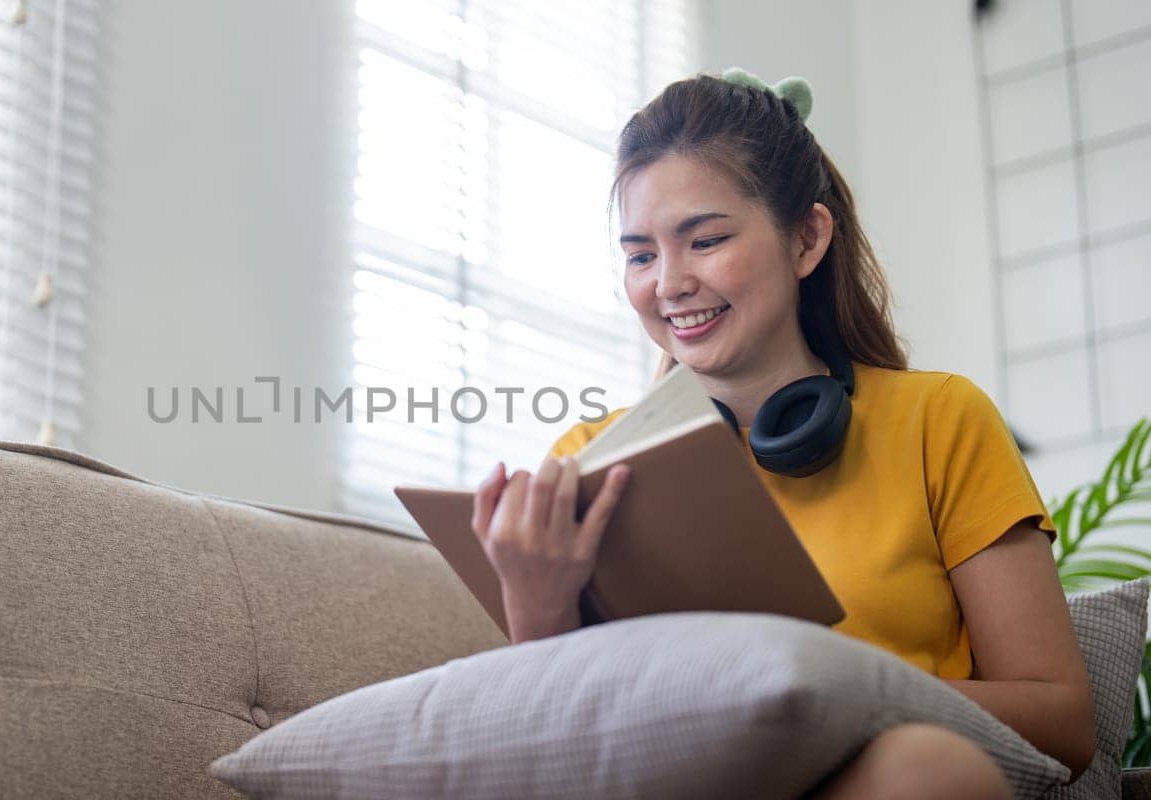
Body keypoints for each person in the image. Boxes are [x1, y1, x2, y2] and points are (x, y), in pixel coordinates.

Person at [467, 69, 1096, 800]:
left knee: (929, 772)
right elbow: (558, 759)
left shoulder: (940, 420)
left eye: (703, 240)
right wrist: (537, 605)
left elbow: (1063, 723)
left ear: (805, 239)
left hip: (881, 779)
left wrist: (834, 694)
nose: (668, 282)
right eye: (640, 255)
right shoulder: (589, 461)